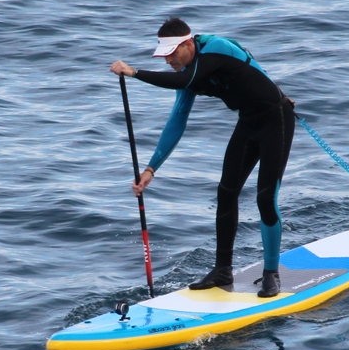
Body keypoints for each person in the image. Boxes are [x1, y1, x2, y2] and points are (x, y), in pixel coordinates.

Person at [109, 18, 295, 298]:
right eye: (164, 56)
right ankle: (223, 270)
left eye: (172, 54)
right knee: (226, 192)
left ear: (187, 44)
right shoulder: (188, 73)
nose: (168, 61)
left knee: (265, 198)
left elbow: (194, 77)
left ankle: (271, 273)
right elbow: (177, 121)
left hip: (276, 120)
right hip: (248, 122)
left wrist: (133, 72)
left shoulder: (216, 47)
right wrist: (151, 169)